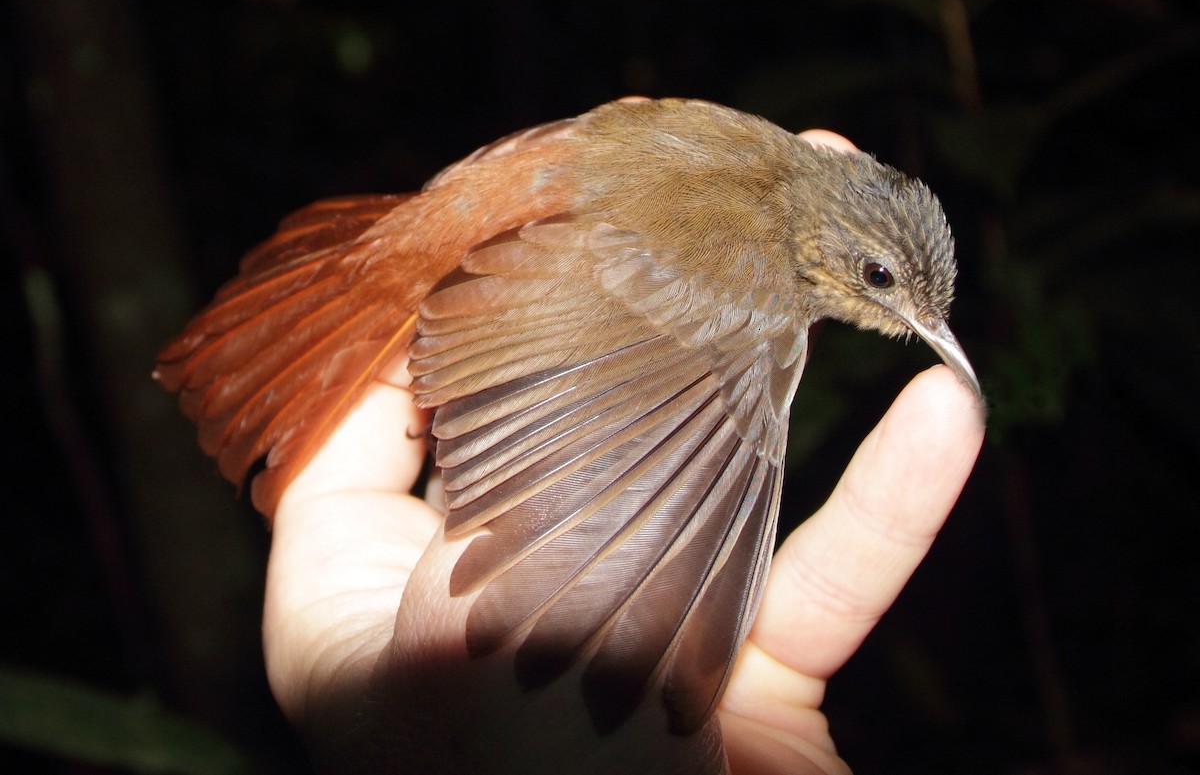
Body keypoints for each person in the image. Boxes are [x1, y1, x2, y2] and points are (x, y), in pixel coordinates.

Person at [256, 130, 987, 774]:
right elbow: (681, 444)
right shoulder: (758, 277)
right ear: (831, 240)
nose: (899, 312)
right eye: (881, 280)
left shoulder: (760, 154)